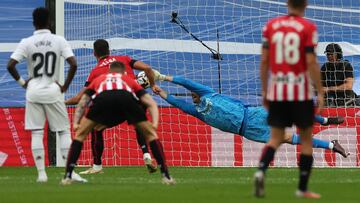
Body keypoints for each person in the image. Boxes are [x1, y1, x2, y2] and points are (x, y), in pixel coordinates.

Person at [156, 74, 347, 157]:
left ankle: (324, 120)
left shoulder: (207, 92)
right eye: (192, 95)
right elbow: (178, 103)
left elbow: (185, 81)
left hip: (252, 114)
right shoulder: (197, 111)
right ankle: (332, 145)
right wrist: (160, 93)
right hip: (248, 130)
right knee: (289, 138)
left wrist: (164, 78)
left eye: (193, 93)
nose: (192, 95)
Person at [61, 61, 175, 185]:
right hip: (126, 100)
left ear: (109, 71)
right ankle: (166, 176)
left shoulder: (100, 79)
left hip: (103, 100)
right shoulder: (129, 80)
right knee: (151, 135)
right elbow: (151, 103)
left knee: (81, 135)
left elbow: (83, 102)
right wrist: (154, 123)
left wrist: (76, 123)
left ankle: (68, 175)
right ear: (124, 72)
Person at [6, 7, 85, 183]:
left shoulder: (27, 42)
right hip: (52, 91)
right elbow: (73, 63)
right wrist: (64, 87)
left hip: (33, 91)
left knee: (36, 132)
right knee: (63, 131)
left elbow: (10, 65)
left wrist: (23, 83)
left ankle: (42, 175)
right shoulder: (58, 40)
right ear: (49, 21)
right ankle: (70, 173)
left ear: (34, 22)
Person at [256, 0, 324, 198]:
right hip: (299, 91)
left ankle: (260, 171)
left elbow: (264, 61)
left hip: (277, 89)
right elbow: (311, 61)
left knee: (275, 138)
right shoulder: (308, 27)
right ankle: (302, 188)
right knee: (306, 140)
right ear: (305, 4)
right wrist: (319, 90)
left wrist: (264, 90)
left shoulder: (271, 26)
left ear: (287, 3)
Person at [66, 39, 160, 174]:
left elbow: (79, 98)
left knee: (96, 129)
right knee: (139, 123)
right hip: (135, 100)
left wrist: (61, 102)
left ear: (94, 53)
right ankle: (146, 155)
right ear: (109, 51)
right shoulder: (124, 59)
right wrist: (152, 85)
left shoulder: (95, 72)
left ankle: (97, 166)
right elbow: (147, 68)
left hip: (113, 103)